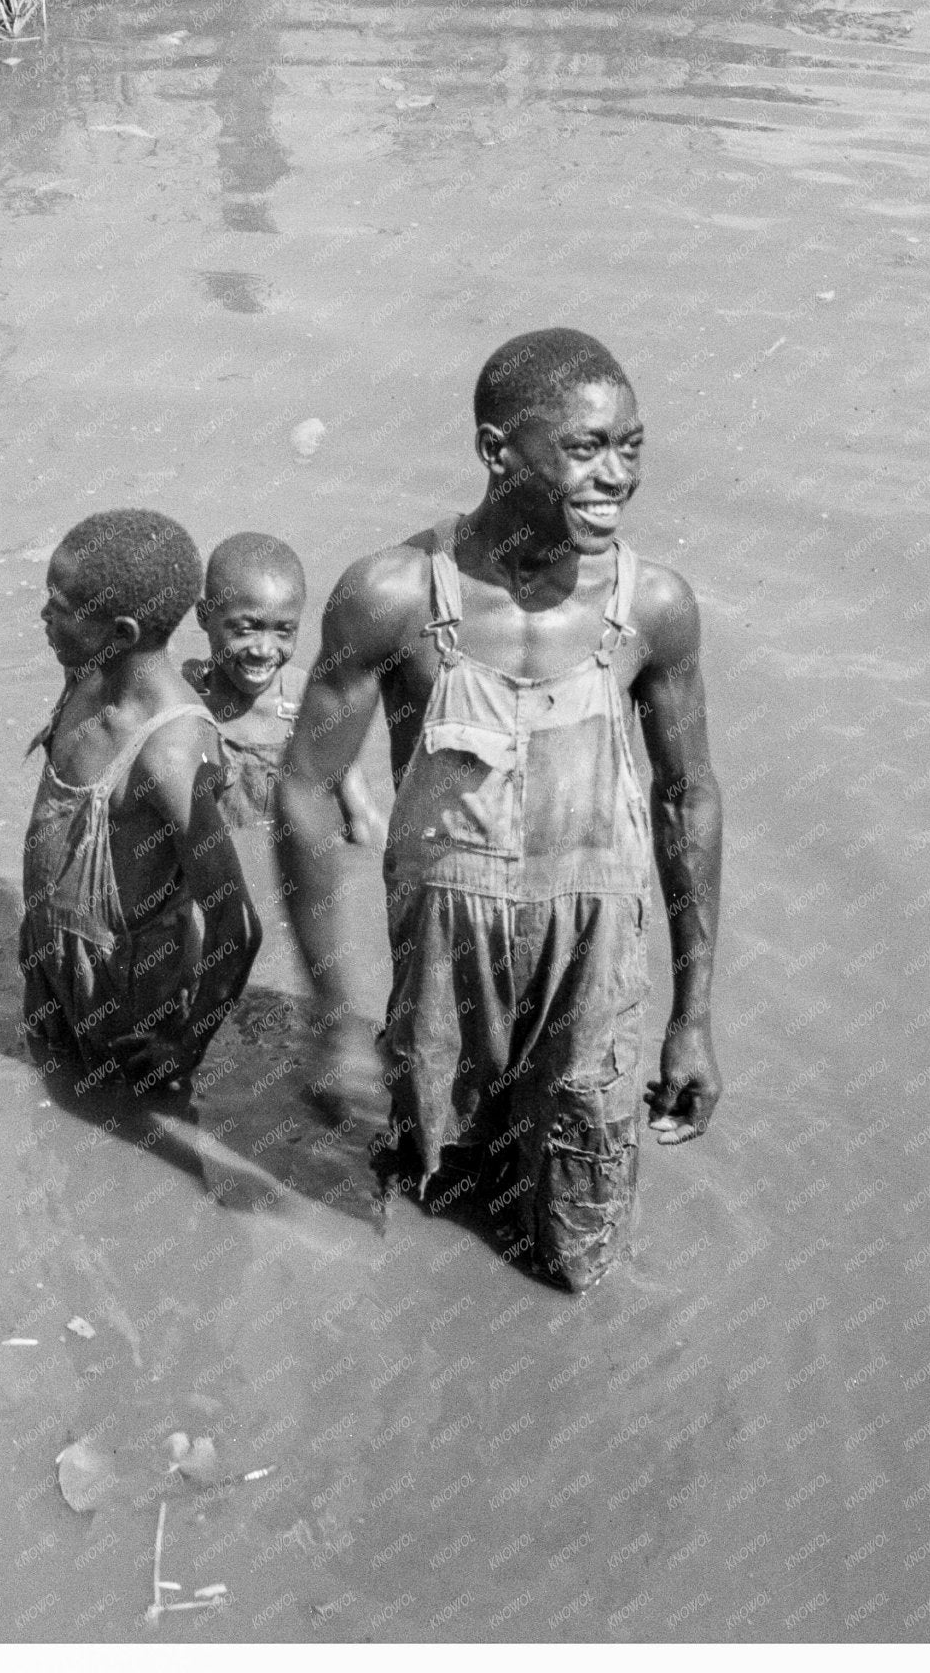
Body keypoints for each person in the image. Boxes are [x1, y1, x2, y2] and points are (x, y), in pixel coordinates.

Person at [277, 329, 723, 1292]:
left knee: (575, 1257)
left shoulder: (655, 610)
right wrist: (330, 1015)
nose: (617, 478)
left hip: (593, 967)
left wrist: (693, 1015)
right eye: (587, 448)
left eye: (631, 447)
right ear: (496, 451)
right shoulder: (393, 596)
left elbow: (688, 798)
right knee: (428, 1194)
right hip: (443, 964)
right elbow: (306, 788)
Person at [20, 509, 261, 1097]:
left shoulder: (169, 751)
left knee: (128, 1111)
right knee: (54, 1099)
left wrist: (184, 1047)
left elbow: (239, 925)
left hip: (131, 996)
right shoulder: (86, 673)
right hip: (52, 959)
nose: (43, 616)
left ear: (121, 633)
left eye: (60, 606)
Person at [182, 530, 383, 843]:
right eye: (246, 630)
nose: (264, 649)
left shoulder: (311, 702)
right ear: (205, 615)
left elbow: (363, 817)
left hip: (292, 875)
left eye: (284, 632)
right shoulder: (184, 701)